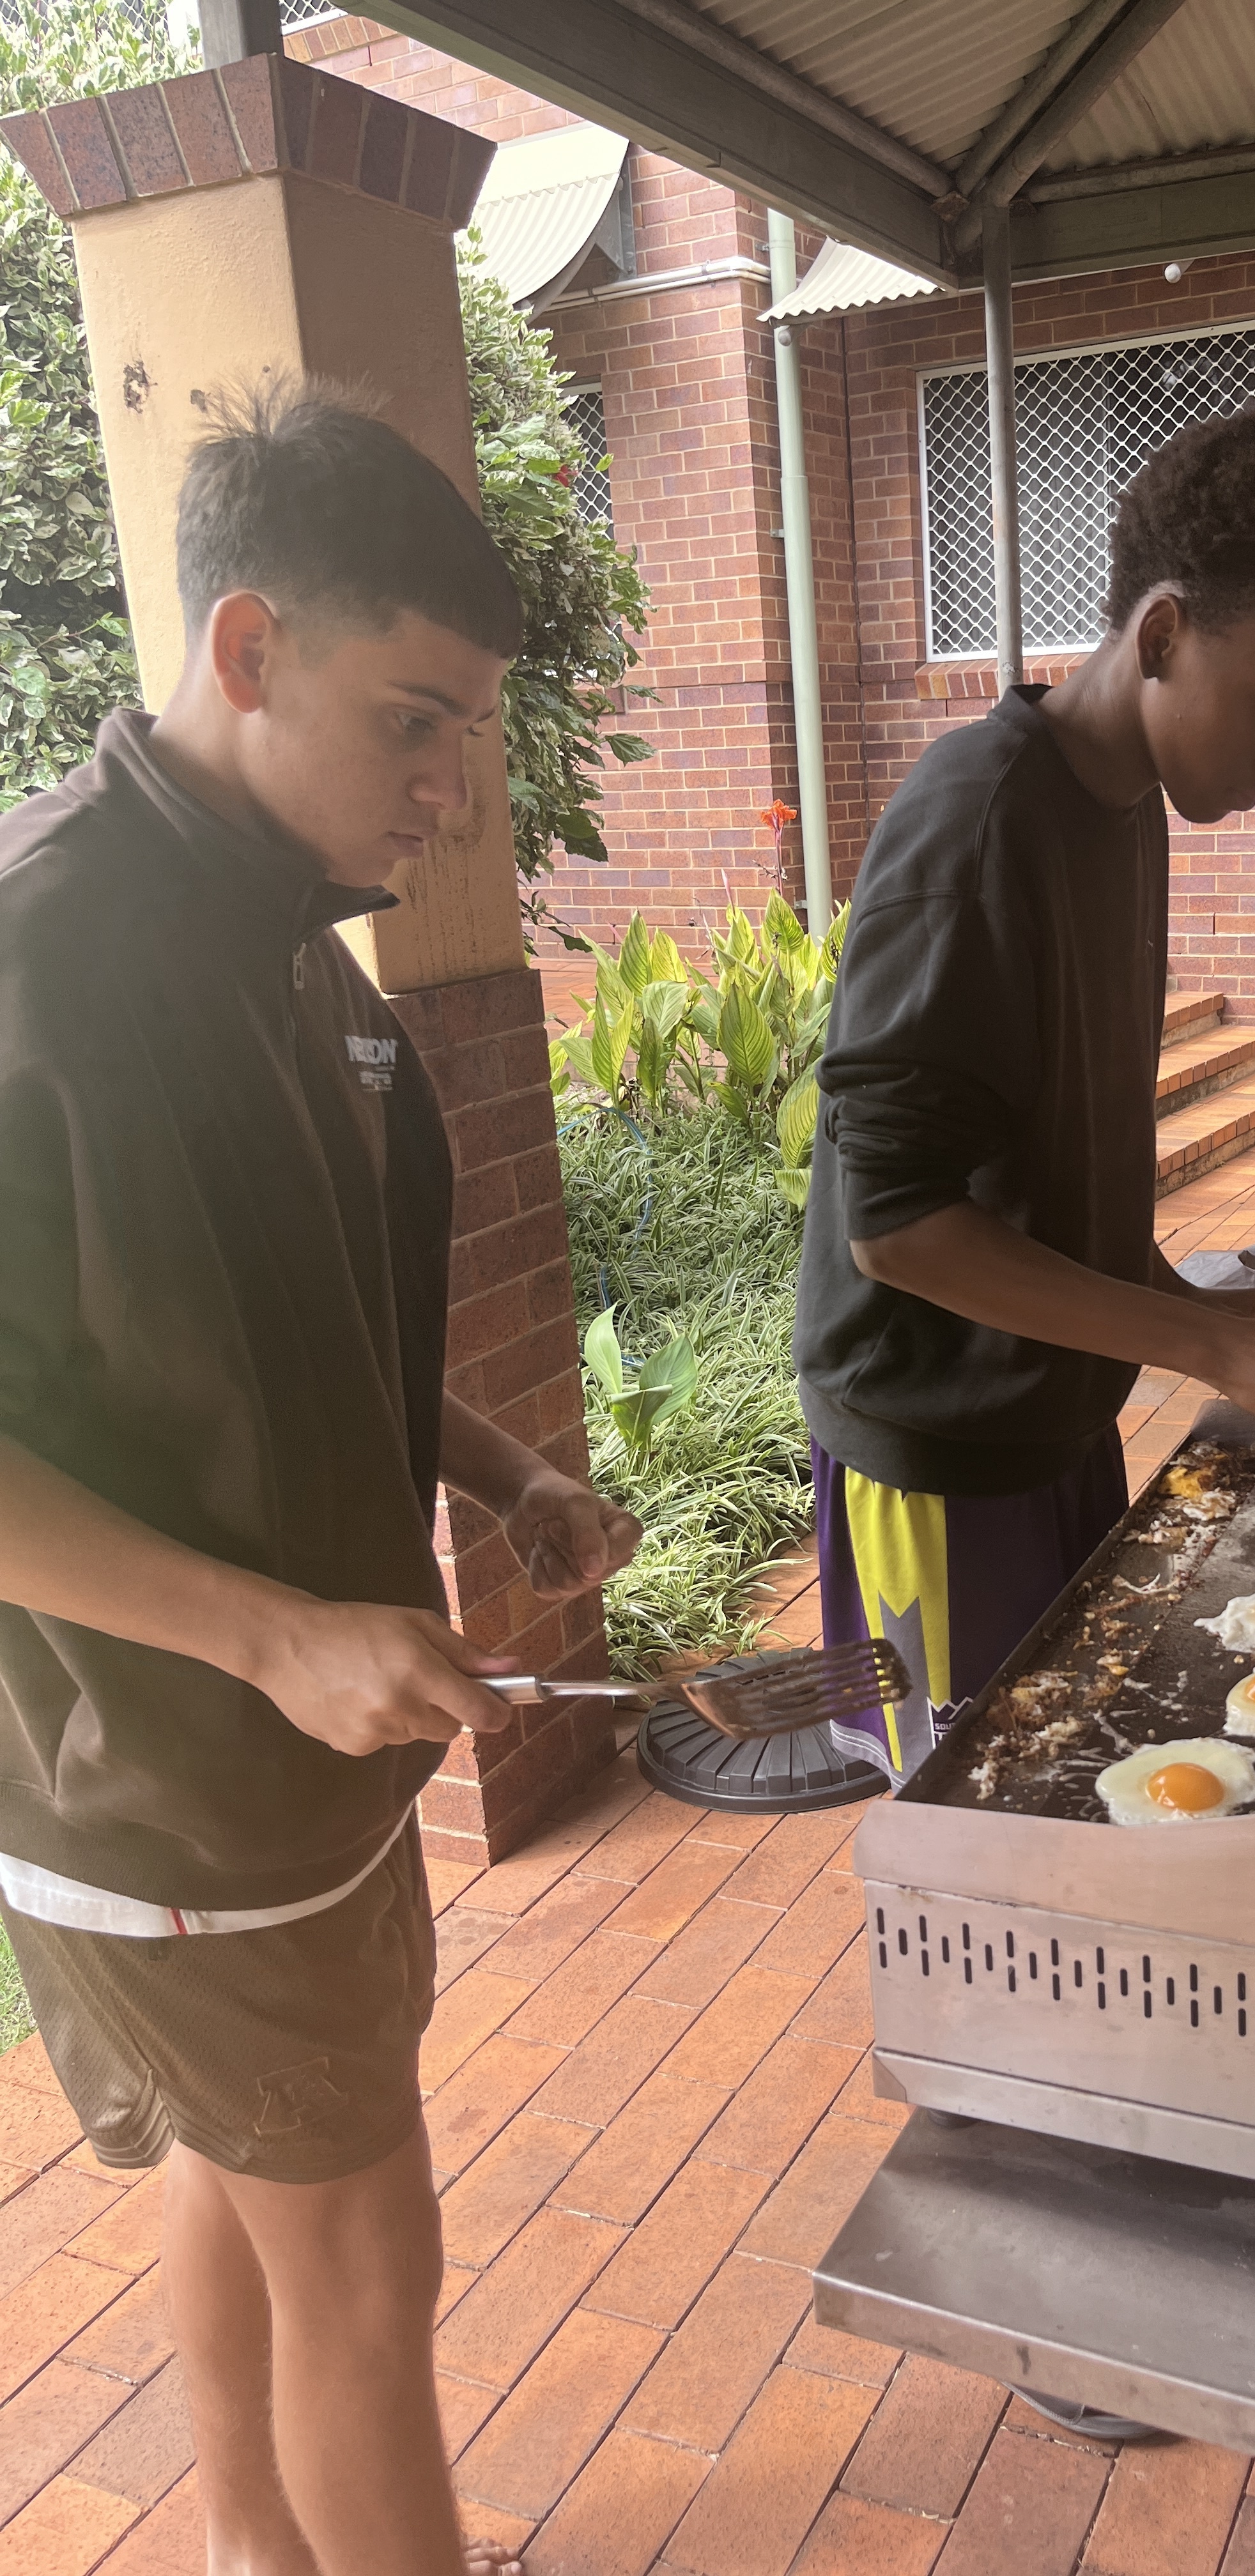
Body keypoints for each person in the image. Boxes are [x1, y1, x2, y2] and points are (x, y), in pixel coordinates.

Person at [0, 390, 640, 2576]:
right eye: (414, 720)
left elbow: (301, 1314)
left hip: (293, 1781)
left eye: (469, 731)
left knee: (243, 2166)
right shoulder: (38, 957)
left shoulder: (286, 940)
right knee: (369, 2269)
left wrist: (504, 1465)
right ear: (250, 647)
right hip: (167, 1782)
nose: (451, 787)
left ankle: (258, 2552)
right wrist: (275, 1638)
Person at [794, 400, 1255, 1787]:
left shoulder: (1119, 802)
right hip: (940, 1450)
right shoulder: (977, 823)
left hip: (1050, 1410)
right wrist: (1206, 1344)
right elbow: (899, 1224)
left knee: (1073, 1774)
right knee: (986, 1818)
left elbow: (1033, 1179)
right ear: (1162, 635)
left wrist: (1214, 1313)